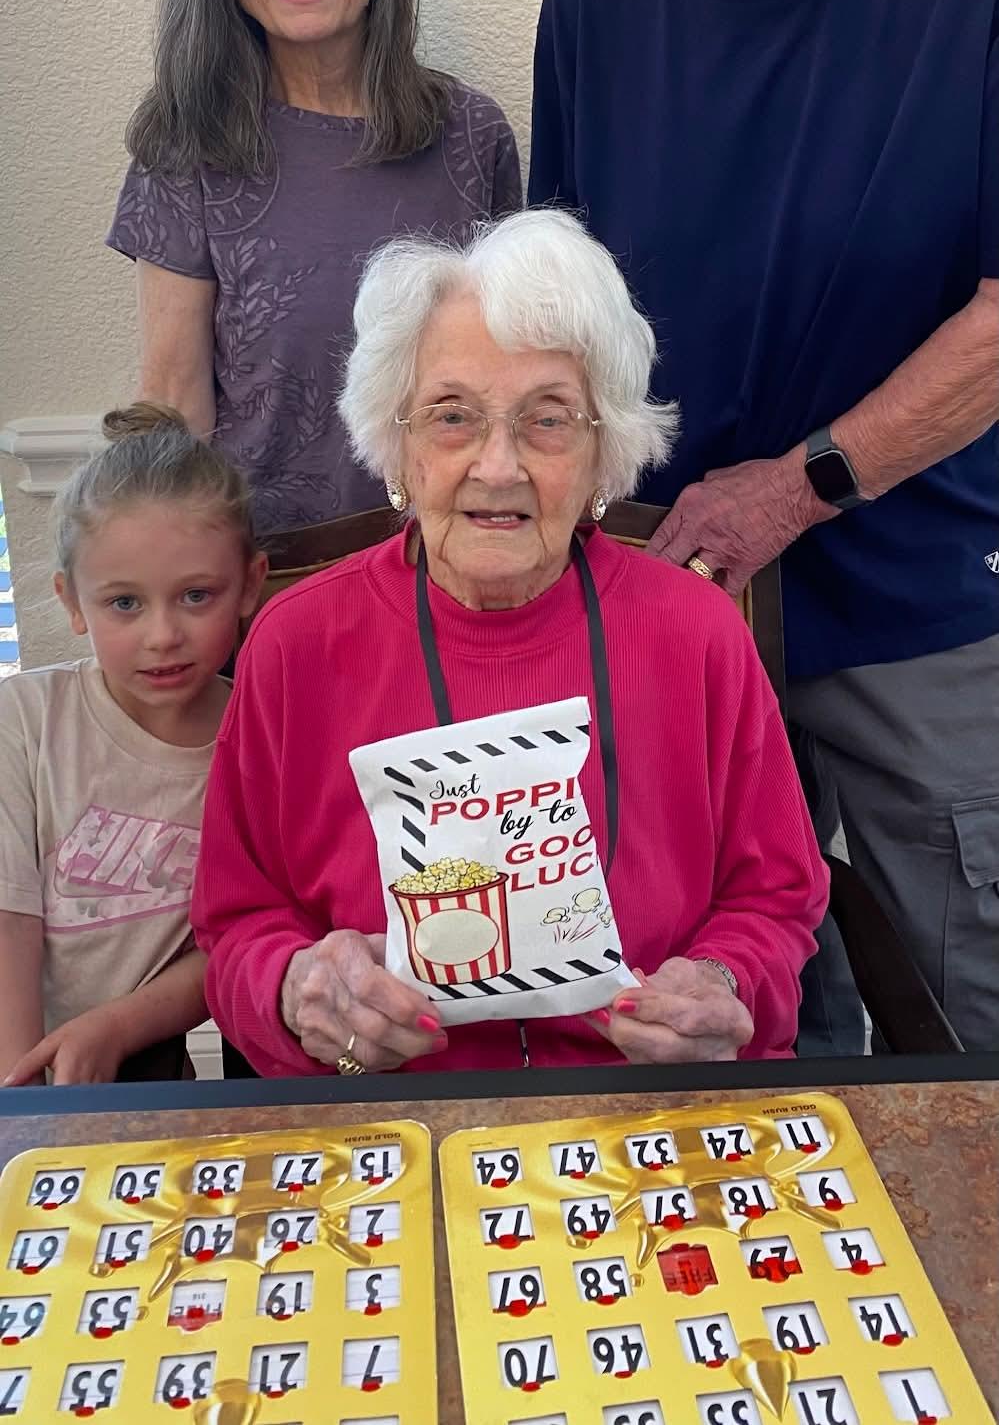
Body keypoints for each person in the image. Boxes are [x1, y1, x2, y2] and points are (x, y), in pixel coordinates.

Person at [528, 0, 999, 1051]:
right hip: (677, 616)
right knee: (737, 1027)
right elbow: (565, 316)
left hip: (920, 604)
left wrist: (796, 487)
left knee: (973, 1003)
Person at [192, 209, 828, 1076]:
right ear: (397, 445)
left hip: (642, 1107)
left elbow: (774, 899)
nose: (498, 467)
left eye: (548, 419)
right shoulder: (295, 644)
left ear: (604, 451)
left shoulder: (697, 631)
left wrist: (724, 983)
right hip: (386, 1116)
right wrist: (296, 986)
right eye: (452, 417)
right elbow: (236, 922)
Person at [108, 0, 521, 539]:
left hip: (447, 566)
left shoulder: (470, 135)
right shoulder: (186, 144)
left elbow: (508, 379)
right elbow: (174, 404)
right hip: (268, 581)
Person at [0, 405, 266, 1085]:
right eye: (124, 603)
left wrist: (113, 1029)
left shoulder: (264, 741)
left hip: (138, 1065)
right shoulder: (23, 720)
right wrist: (22, 1104)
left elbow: (237, 943)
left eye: (196, 595)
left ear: (250, 585)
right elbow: (8, 922)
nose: (162, 635)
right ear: (71, 602)